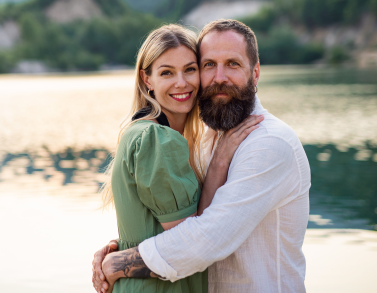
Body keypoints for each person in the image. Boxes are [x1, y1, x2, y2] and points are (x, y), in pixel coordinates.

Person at [93, 19, 311, 293]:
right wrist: (121, 247)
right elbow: (180, 230)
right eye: (209, 65)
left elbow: (204, 239)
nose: (219, 77)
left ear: (255, 73)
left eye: (232, 64)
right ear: (146, 79)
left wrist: (118, 262)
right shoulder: (207, 139)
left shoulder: (267, 143)